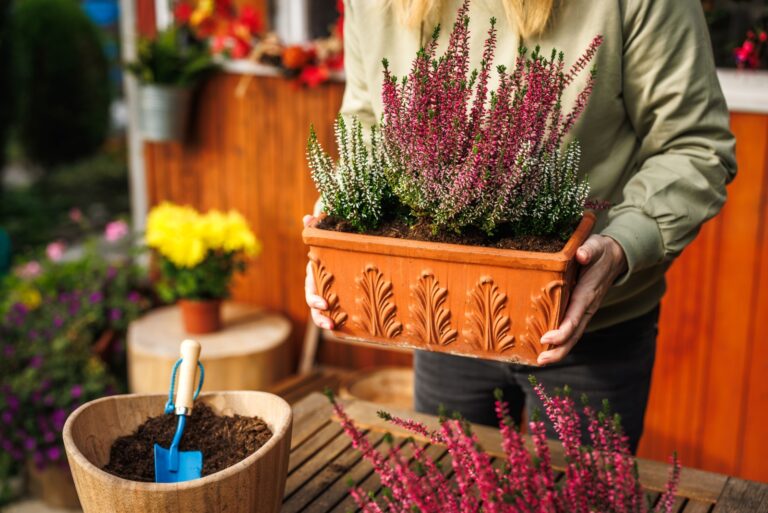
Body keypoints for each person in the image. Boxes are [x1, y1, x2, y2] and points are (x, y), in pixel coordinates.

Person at [304, 0, 736, 453]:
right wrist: (335, 231)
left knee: (581, 498)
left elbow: (695, 144)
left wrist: (622, 244)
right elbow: (368, 126)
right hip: (441, 313)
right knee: (449, 491)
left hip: (591, 326)